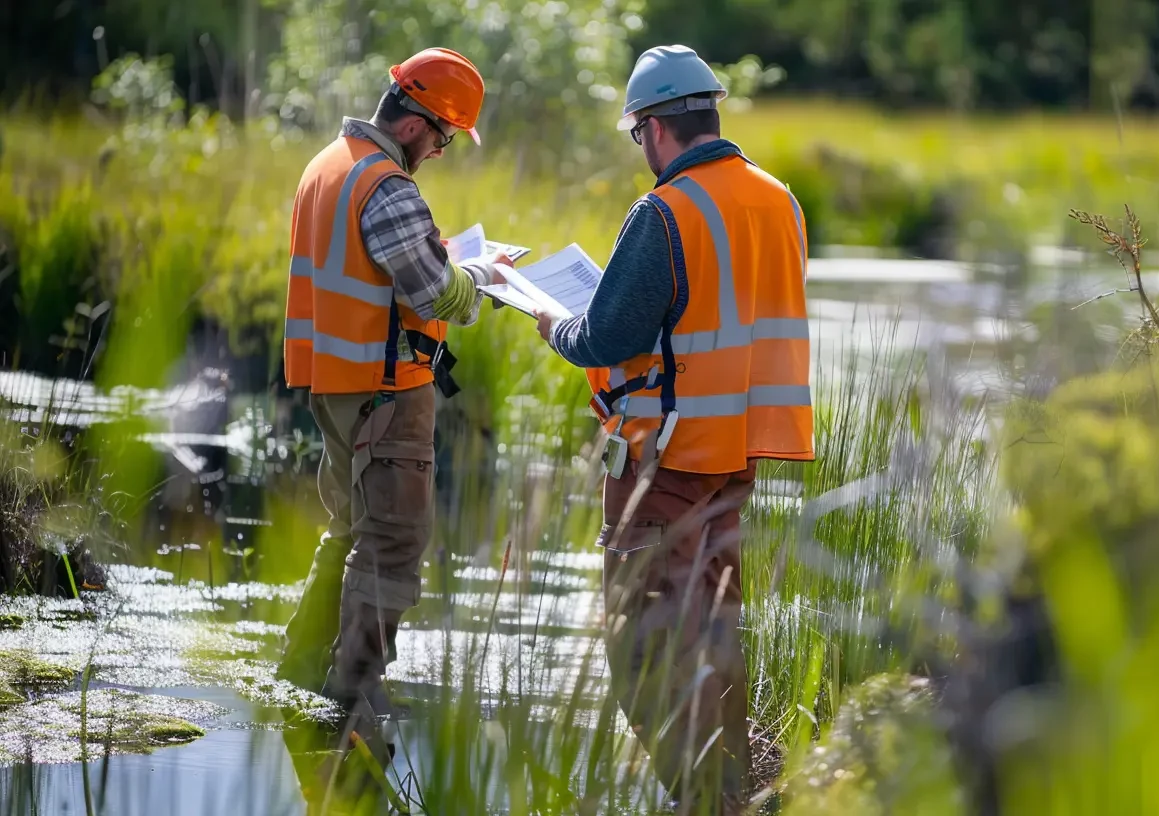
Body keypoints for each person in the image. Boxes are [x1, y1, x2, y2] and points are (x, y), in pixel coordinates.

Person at [533, 44, 815, 813]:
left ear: (655, 127)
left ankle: (705, 801)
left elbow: (605, 338)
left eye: (638, 136)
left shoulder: (664, 212)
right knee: (714, 640)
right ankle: (729, 791)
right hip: (736, 459)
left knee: (642, 655)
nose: (643, 151)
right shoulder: (780, 200)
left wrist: (551, 322)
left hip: (662, 468)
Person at [276, 47, 511, 742]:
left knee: (351, 530)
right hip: (385, 391)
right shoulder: (386, 184)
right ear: (417, 124)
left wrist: (453, 263)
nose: (440, 151)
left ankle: (301, 675)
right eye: (443, 137)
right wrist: (482, 282)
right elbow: (431, 290)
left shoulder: (330, 163)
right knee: (394, 542)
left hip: (335, 382)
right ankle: (355, 694)